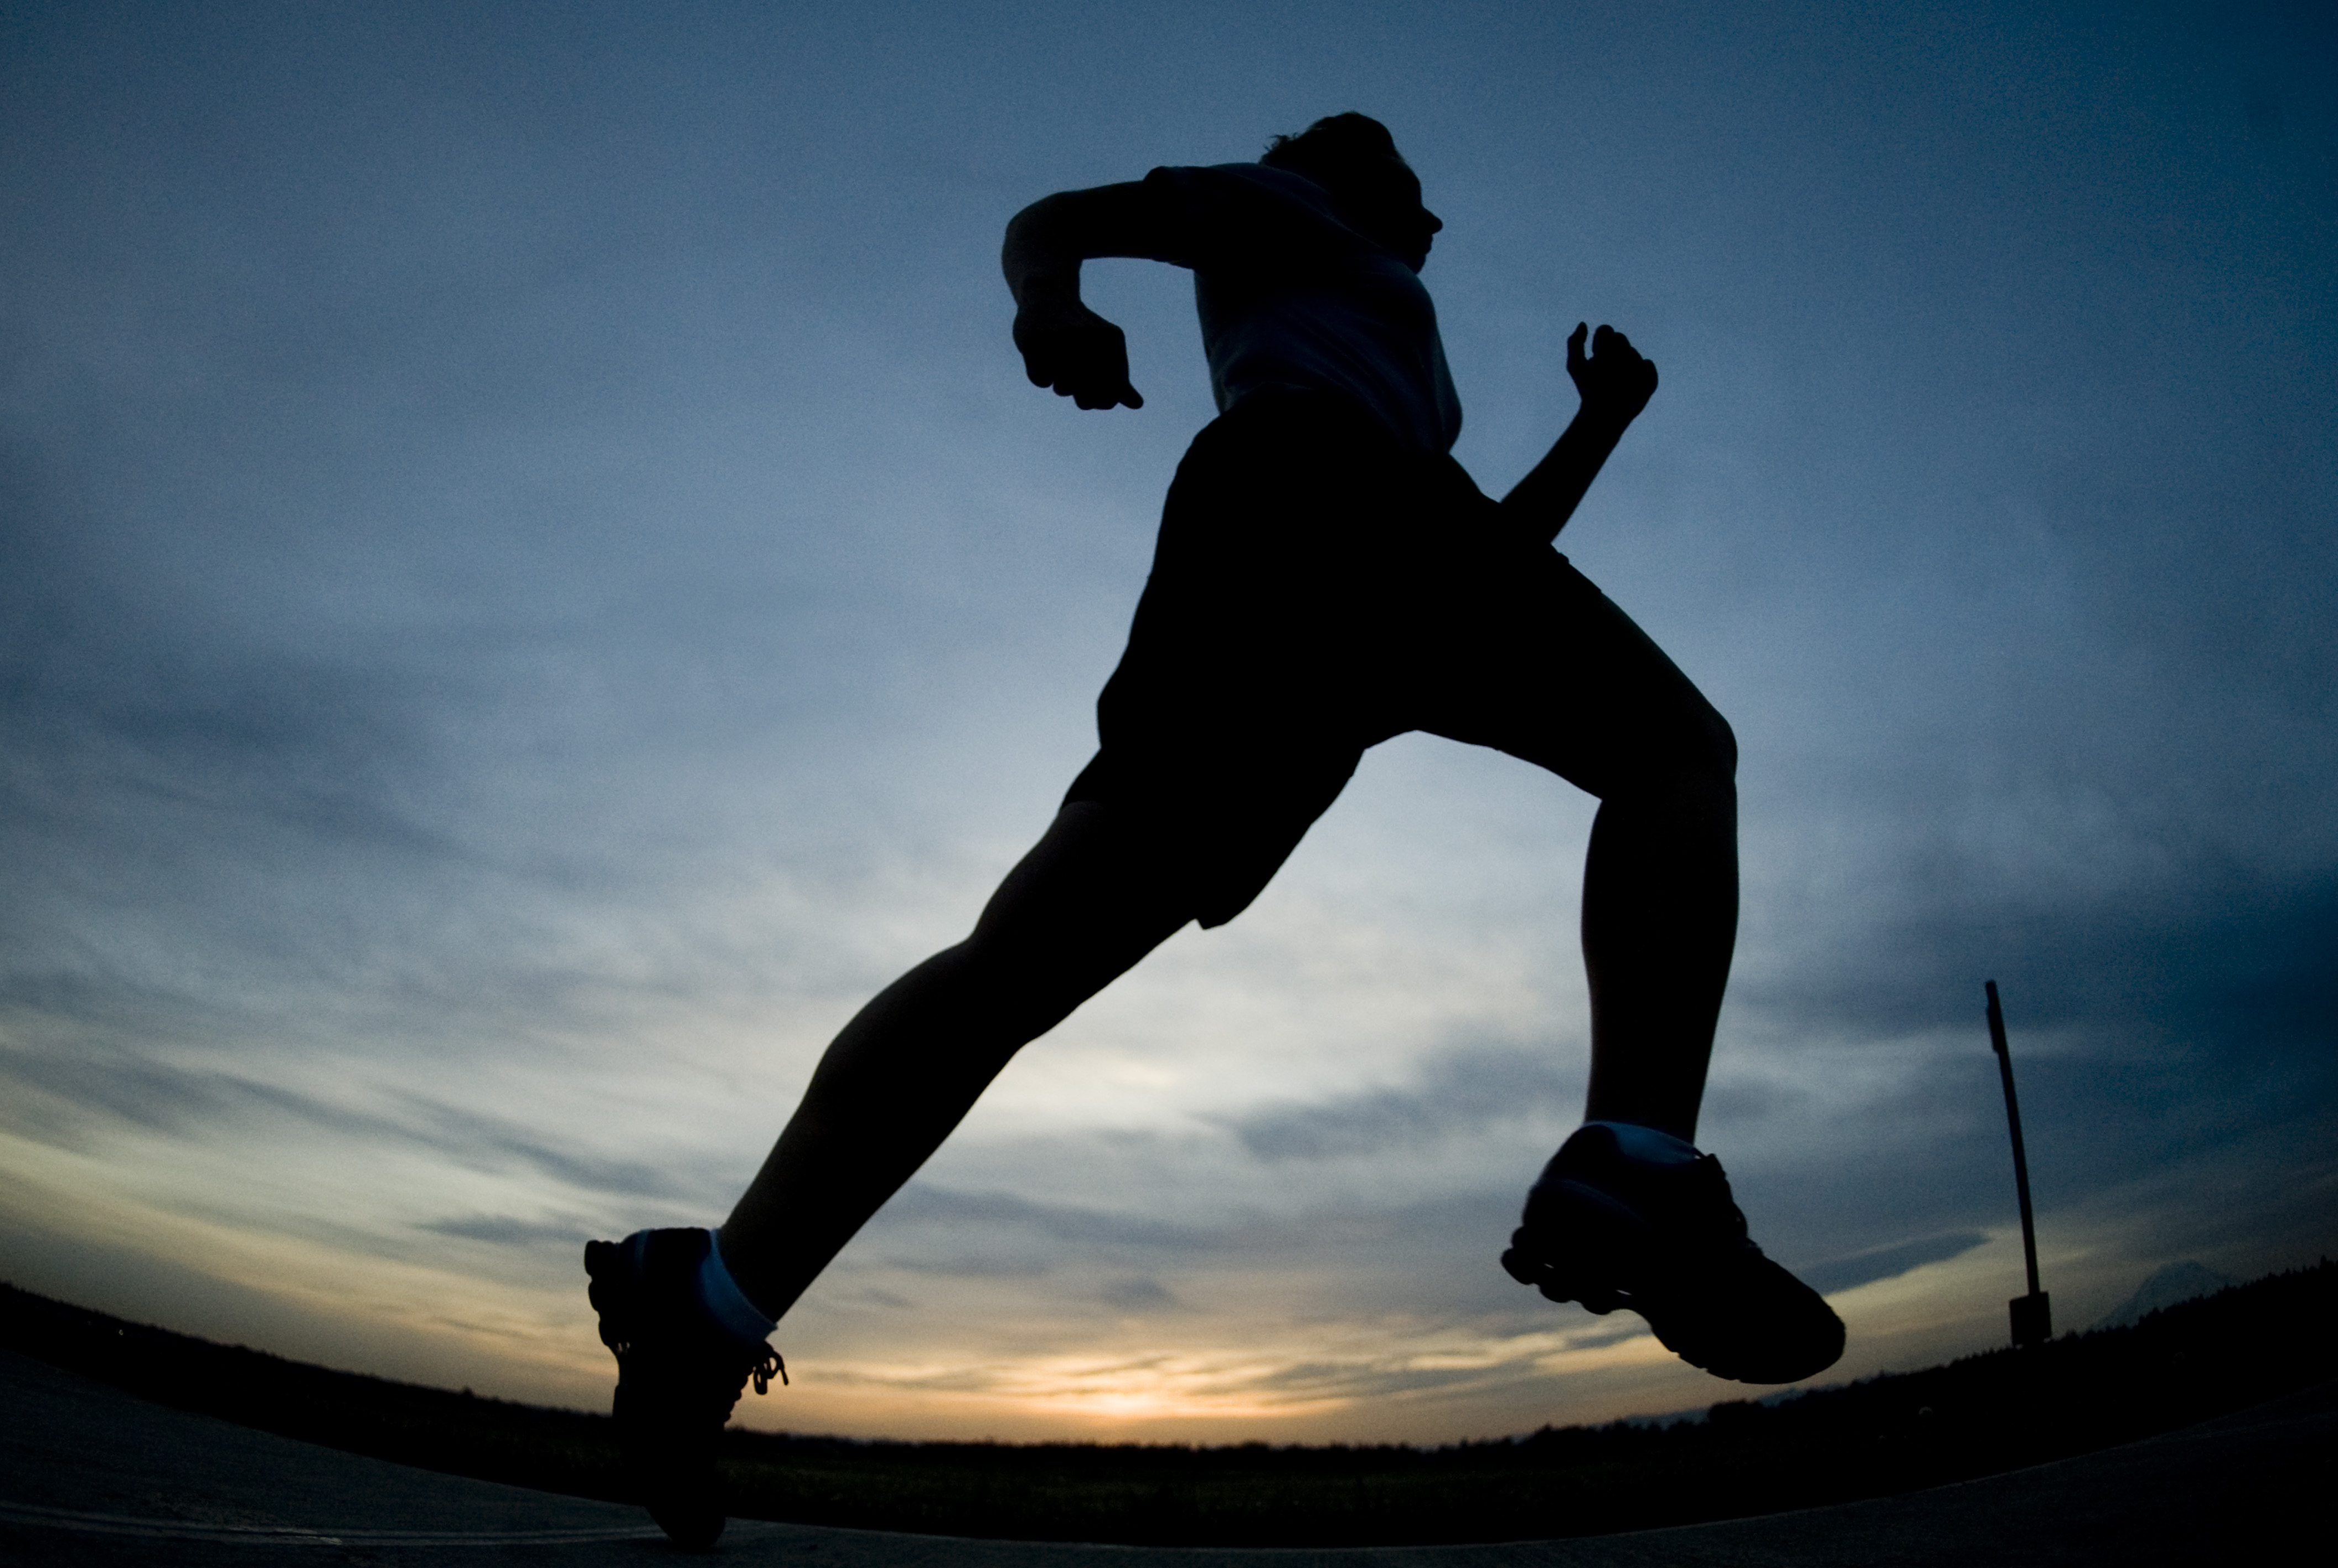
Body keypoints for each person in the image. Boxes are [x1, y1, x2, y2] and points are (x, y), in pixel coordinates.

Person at [584, 113, 1843, 1548]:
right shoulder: (1291, 204)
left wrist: (1600, 426)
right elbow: (1049, 212)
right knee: (1673, 754)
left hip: (1347, 561)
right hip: (1319, 502)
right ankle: (1638, 1163)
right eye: (1410, 187)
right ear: (1350, 172)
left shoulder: (1369, 332)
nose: (1432, 219)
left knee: (1021, 965)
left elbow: (1489, 556)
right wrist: (1050, 301)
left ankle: (708, 1305)